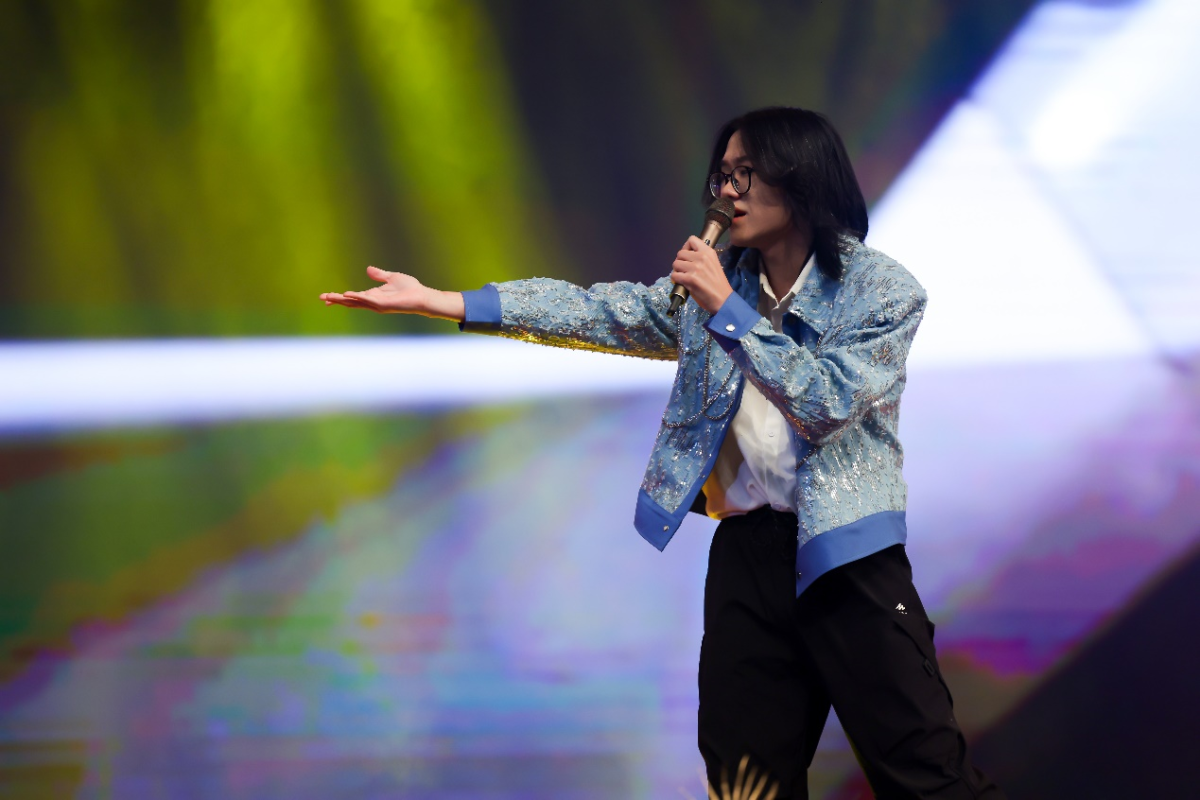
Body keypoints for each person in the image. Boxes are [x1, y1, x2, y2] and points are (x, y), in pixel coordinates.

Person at [320, 107, 1004, 800]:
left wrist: (726, 309)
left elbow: (825, 399)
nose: (726, 194)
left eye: (745, 174)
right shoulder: (717, 286)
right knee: (744, 783)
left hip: (845, 555)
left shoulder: (882, 291)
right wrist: (445, 302)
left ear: (800, 176)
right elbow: (597, 312)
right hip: (746, 555)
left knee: (925, 776)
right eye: (722, 175)